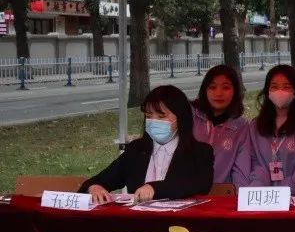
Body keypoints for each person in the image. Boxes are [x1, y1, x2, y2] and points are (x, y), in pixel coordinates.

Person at [81, 85, 213, 203]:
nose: (154, 121)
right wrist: (94, 187)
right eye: (149, 116)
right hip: (139, 220)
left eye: (161, 116)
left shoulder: (200, 152)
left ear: (181, 118)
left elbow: (200, 185)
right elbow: (102, 179)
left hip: (180, 221)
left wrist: (154, 188)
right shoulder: (136, 150)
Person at [247, 64, 295, 194]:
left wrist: (282, 192)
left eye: (286, 87)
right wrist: (261, 190)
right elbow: (253, 162)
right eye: (274, 87)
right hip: (262, 196)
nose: (280, 91)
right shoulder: (255, 126)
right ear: (267, 91)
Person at [191, 64, 251, 186]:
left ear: (235, 91)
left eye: (226, 87)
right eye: (212, 87)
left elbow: (241, 171)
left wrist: (237, 195)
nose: (219, 93)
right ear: (205, 90)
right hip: (186, 192)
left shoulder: (242, 126)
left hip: (221, 193)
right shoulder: (190, 116)